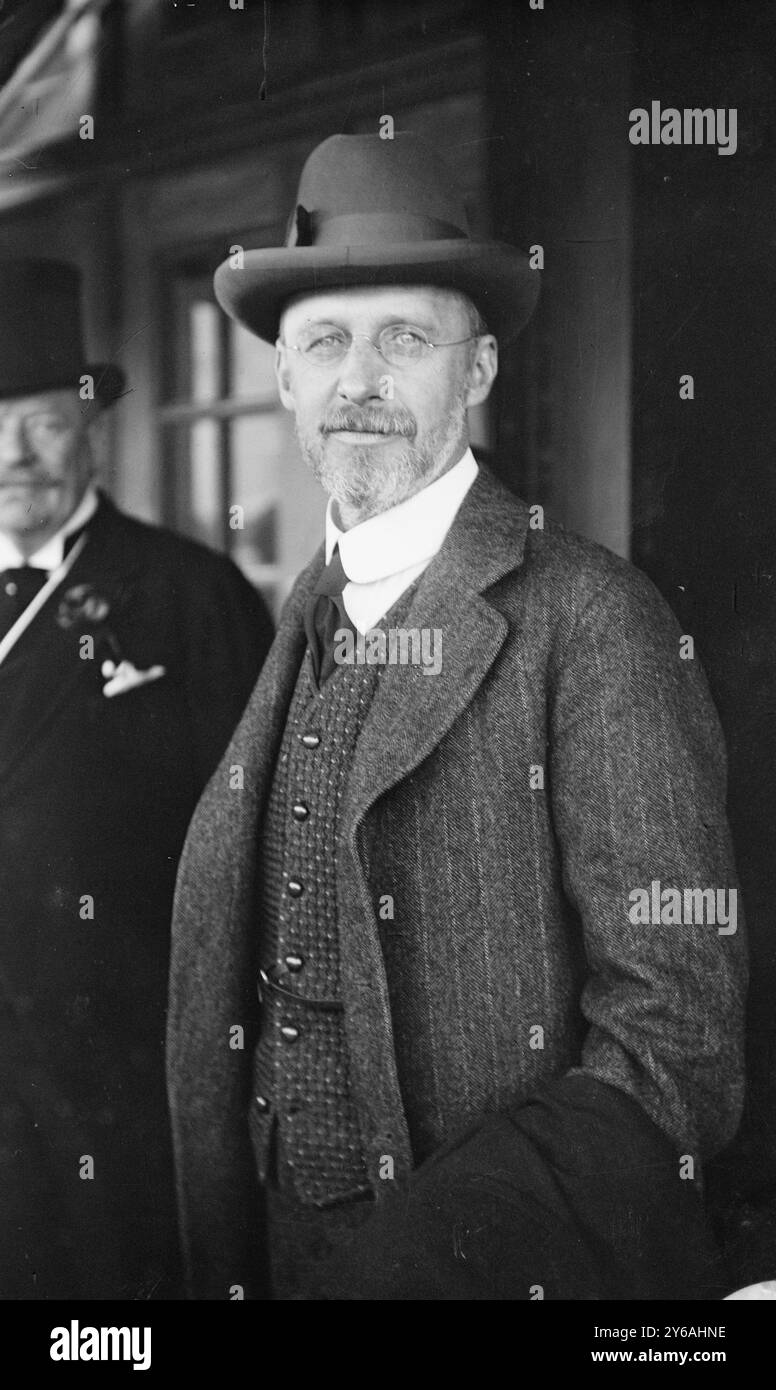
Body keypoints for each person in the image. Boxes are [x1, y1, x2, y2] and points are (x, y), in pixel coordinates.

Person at [167, 134, 747, 1301]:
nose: (358, 382)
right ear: (283, 380)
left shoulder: (591, 619)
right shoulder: (303, 613)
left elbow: (673, 1050)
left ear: (475, 371)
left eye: (404, 339)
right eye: (323, 342)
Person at [0, 259, 273, 1299]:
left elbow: (255, 845)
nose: (14, 452)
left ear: (91, 426)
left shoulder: (190, 595)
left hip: (121, 1068)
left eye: (41, 420)